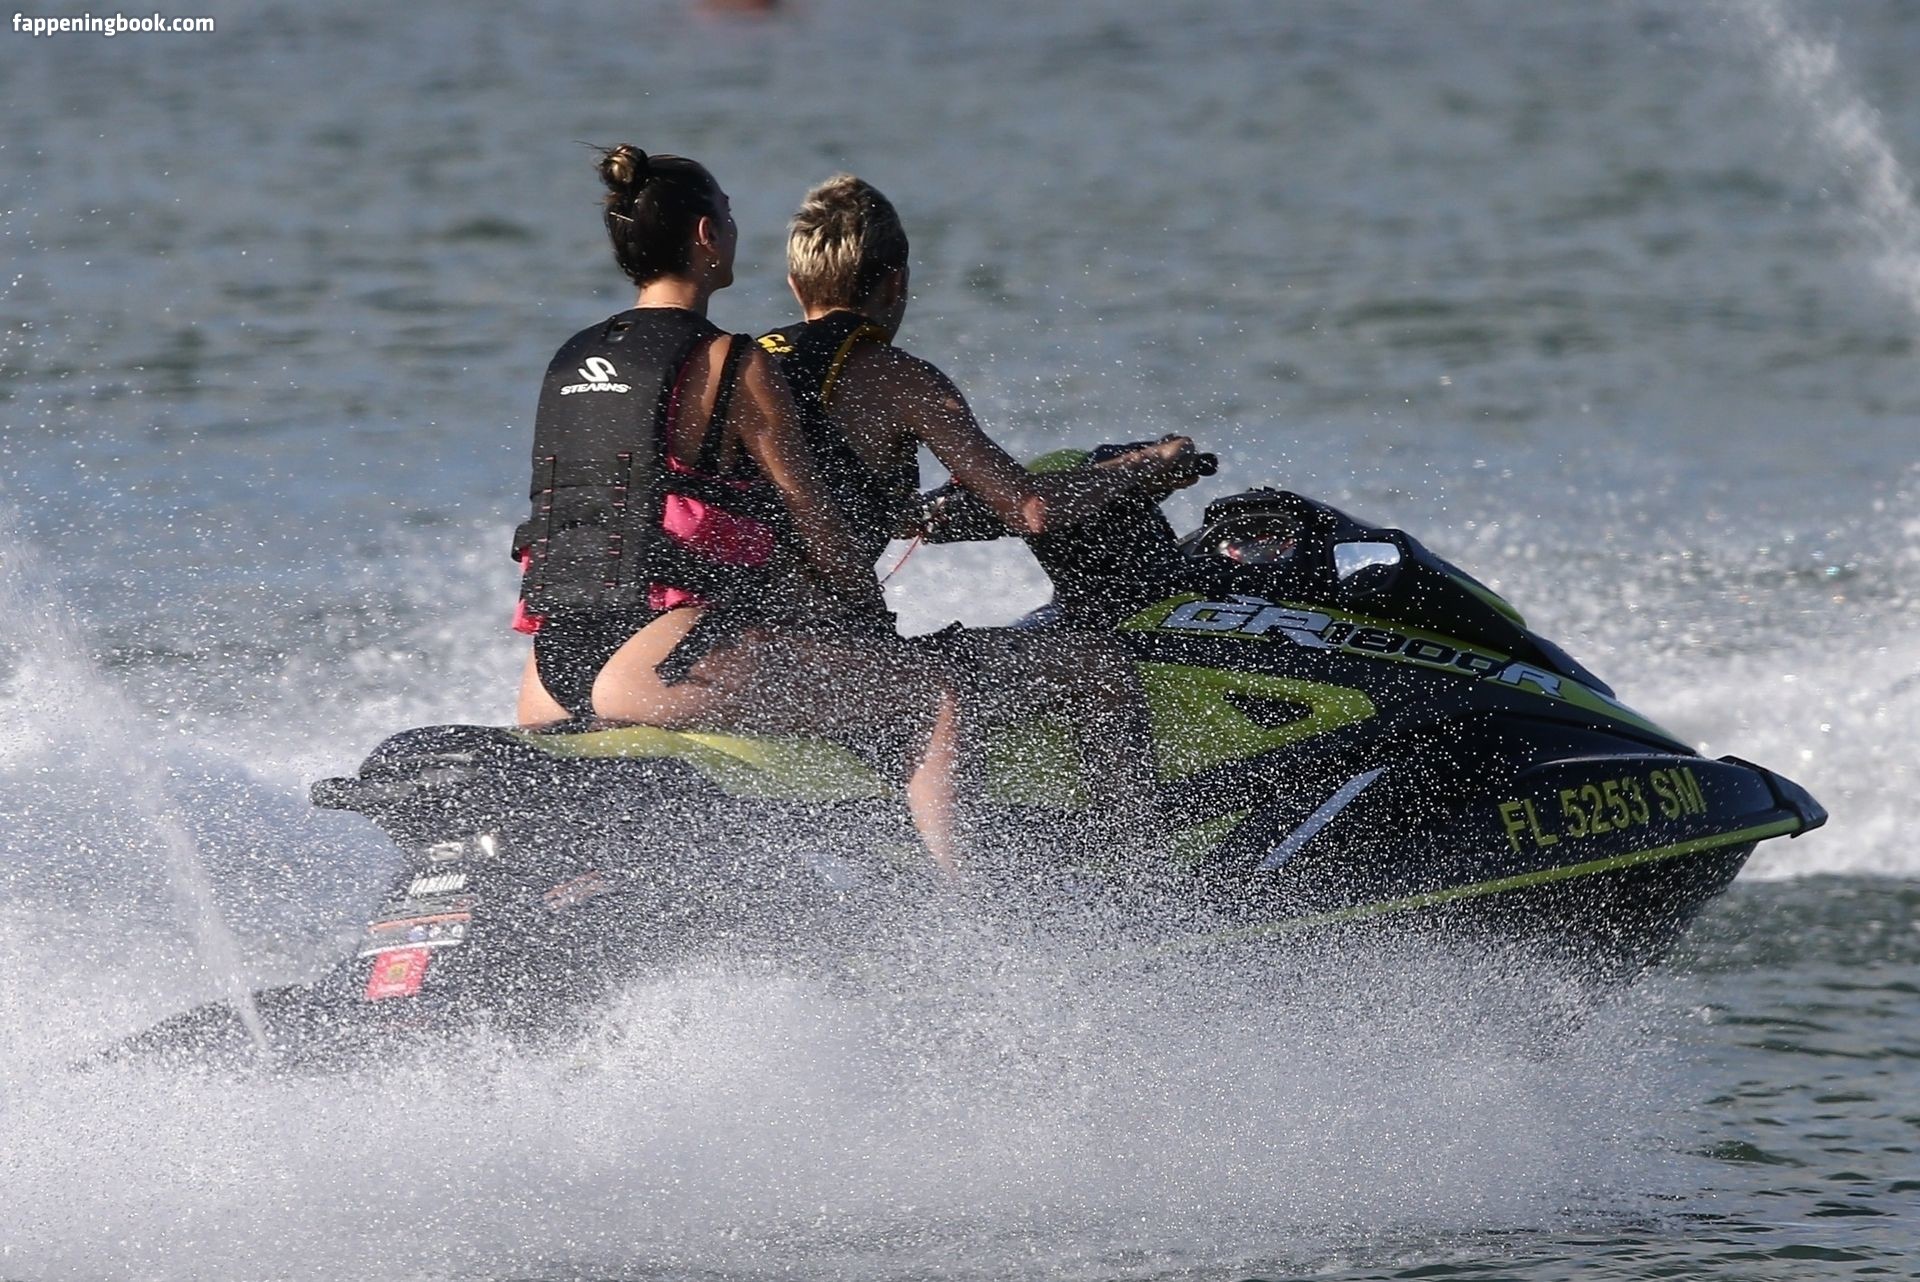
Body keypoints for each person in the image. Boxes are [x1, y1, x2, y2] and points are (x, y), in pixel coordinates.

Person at [511, 146, 961, 868]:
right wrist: (867, 629)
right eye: (728, 215)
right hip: (659, 657)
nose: (734, 228)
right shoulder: (731, 360)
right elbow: (816, 523)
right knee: (934, 698)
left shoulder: (571, 358)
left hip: (550, 664)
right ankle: (969, 921)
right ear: (706, 236)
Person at [759, 174, 1204, 825]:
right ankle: (1138, 872)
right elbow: (1034, 509)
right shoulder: (900, 379)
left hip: (733, 645)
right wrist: (1143, 468)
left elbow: (802, 498)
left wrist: (917, 513)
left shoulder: (740, 368)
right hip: (836, 665)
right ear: (897, 284)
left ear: (796, 286)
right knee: (1101, 668)